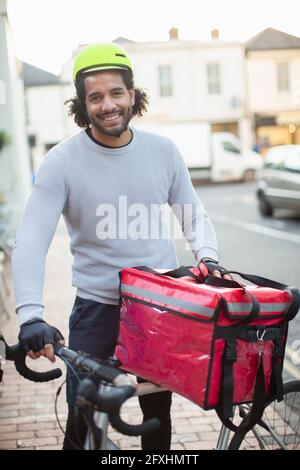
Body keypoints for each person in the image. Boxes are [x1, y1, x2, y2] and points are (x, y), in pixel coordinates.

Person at [12, 42, 230, 450]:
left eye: (116, 93)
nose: (107, 105)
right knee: (82, 420)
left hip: (157, 310)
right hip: (96, 311)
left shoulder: (163, 151)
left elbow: (193, 214)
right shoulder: (61, 161)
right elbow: (32, 239)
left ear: (132, 94)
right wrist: (29, 315)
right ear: (82, 103)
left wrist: (208, 258)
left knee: (156, 419)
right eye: (95, 97)